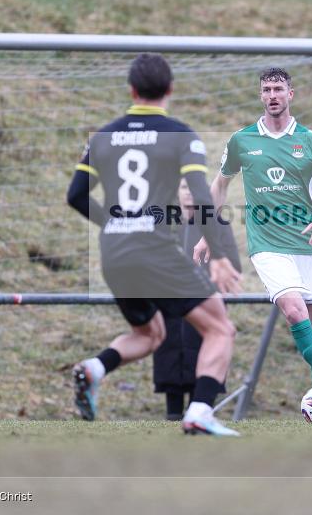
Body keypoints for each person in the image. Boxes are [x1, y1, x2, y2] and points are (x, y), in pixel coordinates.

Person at [66, 53, 242, 436]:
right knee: (220, 329)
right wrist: (221, 256)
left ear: (131, 90)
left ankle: (94, 368)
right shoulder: (180, 135)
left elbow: (76, 195)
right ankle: (200, 411)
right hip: (155, 250)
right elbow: (200, 194)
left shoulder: (103, 136)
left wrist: (114, 226)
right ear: (170, 90)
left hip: (115, 254)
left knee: (151, 334)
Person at [193, 66, 312, 417]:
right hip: (268, 246)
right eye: (266, 89)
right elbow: (219, 188)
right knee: (294, 310)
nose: (272, 95)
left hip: (308, 244)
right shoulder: (242, 141)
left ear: (291, 94)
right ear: (261, 96)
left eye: (278, 89)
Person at [153, 179, 242, 420]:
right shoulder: (163, 222)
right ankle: (172, 417)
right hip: (170, 307)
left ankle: (200, 412)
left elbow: (233, 265)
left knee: (201, 357)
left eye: (194, 188)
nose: (189, 194)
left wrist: (211, 285)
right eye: (183, 188)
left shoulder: (218, 225)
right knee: (169, 362)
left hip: (204, 306)